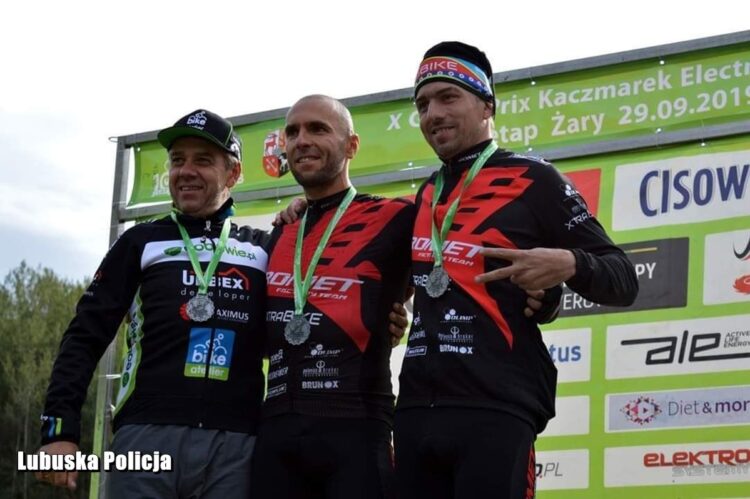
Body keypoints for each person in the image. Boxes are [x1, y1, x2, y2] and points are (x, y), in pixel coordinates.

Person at [394, 42, 639, 499]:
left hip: (495, 407)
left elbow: (623, 278)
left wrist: (567, 263)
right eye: (423, 105)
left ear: (487, 105)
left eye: (448, 97)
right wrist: (302, 211)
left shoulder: (535, 178)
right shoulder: (427, 193)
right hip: (414, 412)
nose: (433, 114)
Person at [37, 109, 270, 498]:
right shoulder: (140, 241)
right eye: (177, 160)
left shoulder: (263, 248)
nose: (186, 171)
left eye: (202, 160)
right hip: (146, 437)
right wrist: (58, 429)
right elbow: (84, 337)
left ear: (233, 174)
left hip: (235, 444)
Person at [249, 95, 414, 499]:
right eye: (292, 132)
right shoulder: (280, 231)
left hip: (356, 428)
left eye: (318, 129)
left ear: (351, 146)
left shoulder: (394, 217)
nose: (301, 140)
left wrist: (547, 293)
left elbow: (459, 263)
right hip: (276, 432)